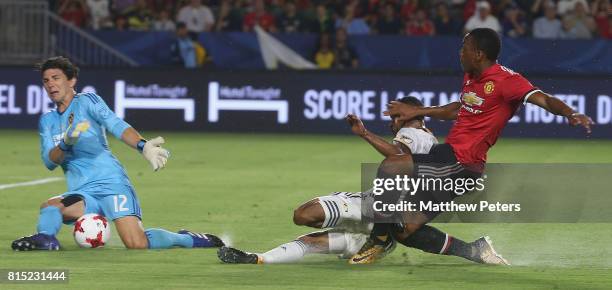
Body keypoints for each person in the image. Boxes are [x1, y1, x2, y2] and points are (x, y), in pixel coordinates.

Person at [349, 28, 593, 264]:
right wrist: (418, 111)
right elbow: (460, 108)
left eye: (464, 48)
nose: (460, 53)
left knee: (391, 166)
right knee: (404, 230)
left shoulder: (507, 81)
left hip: (460, 162)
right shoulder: (471, 77)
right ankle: (476, 251)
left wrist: (571, 113)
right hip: (450, 159)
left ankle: (378, 240)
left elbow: (544, 99)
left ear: (478, 54)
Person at [217, 97, 508, 265]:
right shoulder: (430, 141)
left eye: (395, 116)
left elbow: (397, 154)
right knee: (313, 240)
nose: (392, 122)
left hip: (373, 206)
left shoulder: (413, 133)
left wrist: (365, 134)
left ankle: (380, 239)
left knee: (304, 216)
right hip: (386, 216)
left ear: (406, 115)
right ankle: (257, 259)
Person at [11, 57, 223, 251]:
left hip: (112, 184)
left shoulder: (88, 101)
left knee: (136, 244)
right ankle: (46, 239)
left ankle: (185, 238)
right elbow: (49, 161)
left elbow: (115, 124)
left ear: (72, 80)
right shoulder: (47, 121)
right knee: (50, 207)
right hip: (84, 194)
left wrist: (143, 146)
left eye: (56, 78)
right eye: (46, 80)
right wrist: (66, 143)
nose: (50, 84)